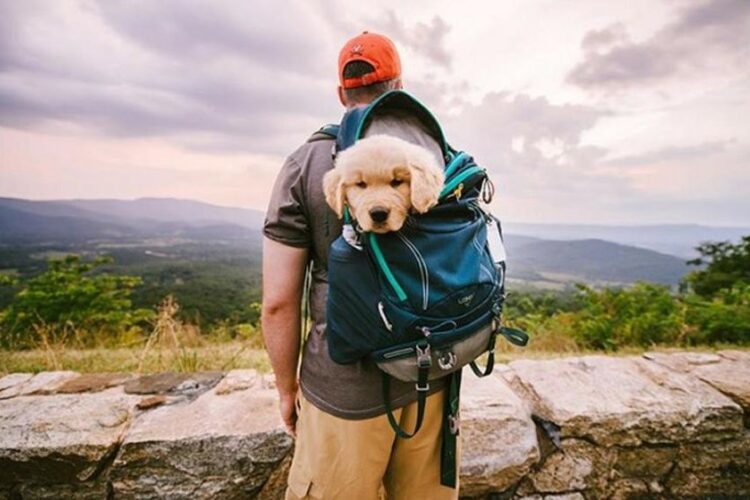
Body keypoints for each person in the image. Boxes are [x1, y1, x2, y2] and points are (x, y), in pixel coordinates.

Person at [262, 31, 459, 499]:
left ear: (340, 94)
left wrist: (287, 388)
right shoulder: (434, 156)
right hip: (432, 378)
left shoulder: (306, 163)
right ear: (399, 87)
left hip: (342, 392)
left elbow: (278, 302)